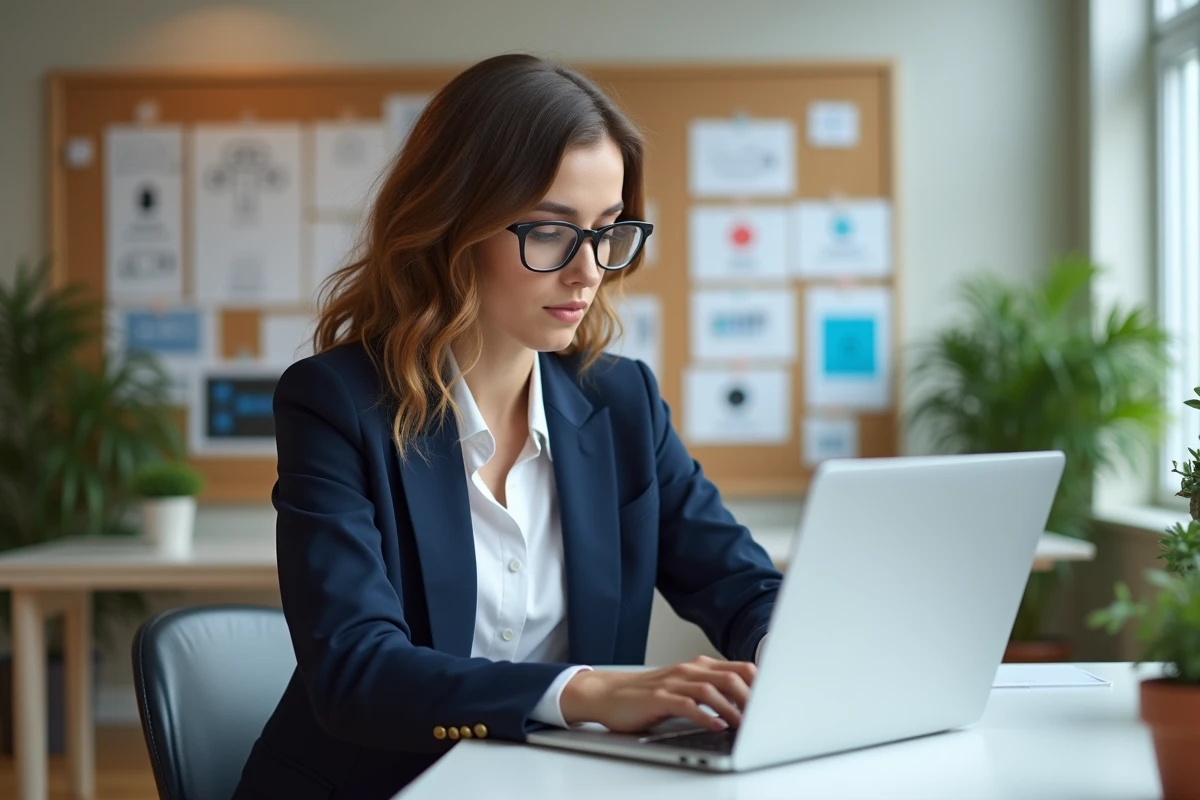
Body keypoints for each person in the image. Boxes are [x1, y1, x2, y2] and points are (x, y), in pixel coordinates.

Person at [233, 53, 782, 800]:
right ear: (454, 225)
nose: (589, 270)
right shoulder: (336, 404)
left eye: (609, 231)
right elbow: (357, 671)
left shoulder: (620, 403)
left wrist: (784, 652)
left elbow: (743, 586)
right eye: (553, 232)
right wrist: (587, 693)